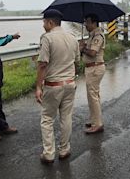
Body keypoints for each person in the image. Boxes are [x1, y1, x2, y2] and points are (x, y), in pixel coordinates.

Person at [36, 9, 80, 164]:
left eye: (44, 22)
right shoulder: (72, 38)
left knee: (47, 118)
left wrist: (38, 87)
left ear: (50, 22)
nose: (43, 25)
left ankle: (48, 153)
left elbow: (42, 65)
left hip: (53, 85)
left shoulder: (47, 38)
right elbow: (77, 61)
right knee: (66, 117)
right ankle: (64, 149)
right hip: (70, 83)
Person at [79, 13, 106, 134]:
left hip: (95, 68)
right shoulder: (92, 35)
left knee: (93, 96)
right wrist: (84, 46)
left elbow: (93, 53)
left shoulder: (98, 35)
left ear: (94, 23)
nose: (85, 24)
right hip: (91, 68)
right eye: (85, 22)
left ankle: (97, 124)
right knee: (93, 96)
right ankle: (94, 119)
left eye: (87, 22)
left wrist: (83, 48)